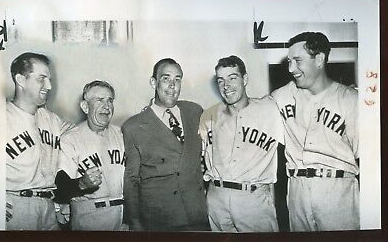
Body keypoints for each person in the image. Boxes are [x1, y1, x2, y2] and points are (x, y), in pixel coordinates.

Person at [271, 32, 359, 231]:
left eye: (298, 61)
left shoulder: (350, 99)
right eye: (289, 62)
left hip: (337, 190)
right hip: (296, 189)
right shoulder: (281, 96)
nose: (291, 68)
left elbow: (370, 159)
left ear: (319, 59)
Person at [122, 58, 210, 231]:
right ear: (153, 82)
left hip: (197, 215)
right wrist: (134, 221)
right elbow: (132, 179)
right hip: (160, 219)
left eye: (177, 79)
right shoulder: (133, 126)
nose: (172, 85)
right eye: (166, 78)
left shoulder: (195, 112)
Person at [199, 55, 284, 232]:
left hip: (253, 198)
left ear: (245, 79)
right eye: (221, 80)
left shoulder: (270, 109)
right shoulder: (209, 115)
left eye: (232, 78)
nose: (226, 86)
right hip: (217, 196)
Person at [5, 52, 73, 230]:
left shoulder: (51, 119)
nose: (49, 86)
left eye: (49, 79)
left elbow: (82, 134)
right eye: (42, 79)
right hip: (16, 207)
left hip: (48, 207)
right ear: (21, 80)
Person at [55, 80, 126, 231]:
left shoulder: (121, 134)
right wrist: (82, 183)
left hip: (121, 217)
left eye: (110, 100)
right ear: (85, 106)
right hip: (88, 219)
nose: (107, 106)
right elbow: (60, 186)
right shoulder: (71, 138)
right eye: (99, 100)